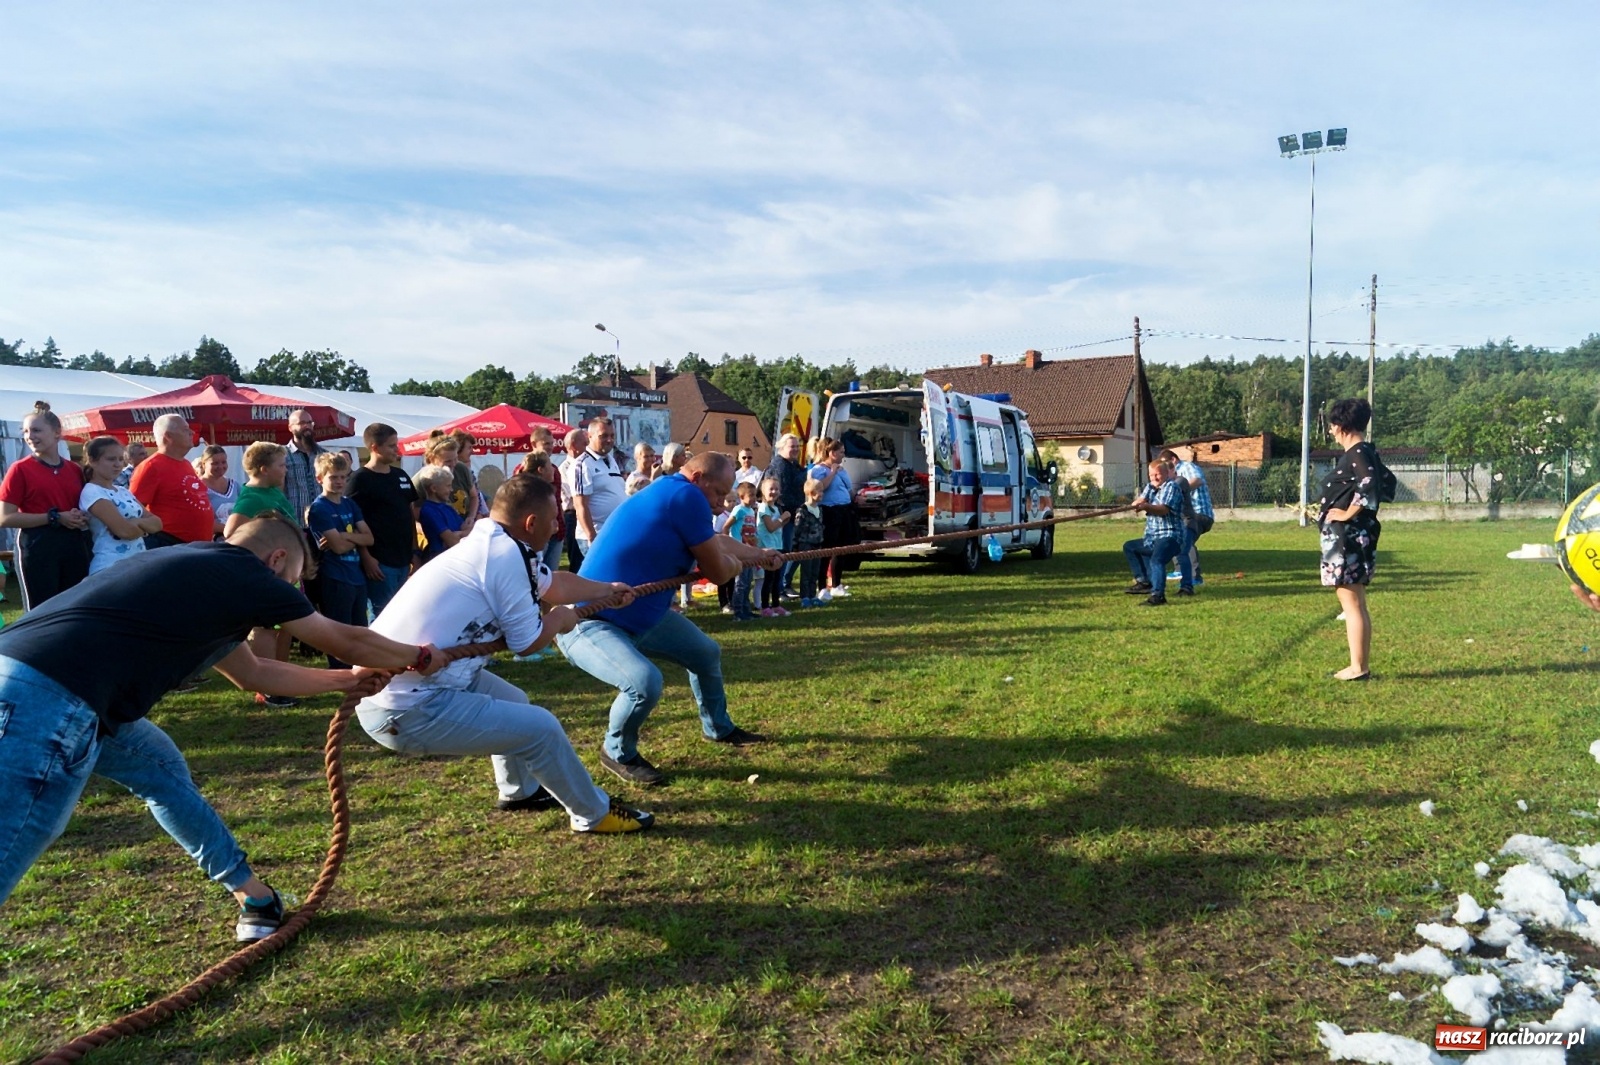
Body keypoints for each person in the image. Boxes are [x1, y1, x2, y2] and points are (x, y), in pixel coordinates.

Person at [0, 513, 443, 939]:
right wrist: (420, 656)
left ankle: (255, 899)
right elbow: (348, 638)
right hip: (50, 700)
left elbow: (255, 674)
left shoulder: (197, 571)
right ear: (276, 561)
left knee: (162, 770)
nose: (290, 595)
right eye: (293, 581)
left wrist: (345, 679)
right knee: (15, 839)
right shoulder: (246, 577)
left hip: (40, 682)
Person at [356, 475, 654, 833]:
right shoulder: (503, 556)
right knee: (541, 727)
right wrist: (559, 620)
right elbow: (527, 644)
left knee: (515, 700)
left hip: (420, 686)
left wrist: (606, 589)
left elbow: (554, 584)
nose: (558, 524)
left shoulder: (495, 541)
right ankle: (592, 813)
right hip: (403, 708)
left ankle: (518, 792)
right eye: (554, 517)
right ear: (531, 523)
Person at [556, 452, 780, 786]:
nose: (721, 505)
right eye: (718, 493)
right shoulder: (685, 495)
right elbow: (718, 572)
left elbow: (716, 542)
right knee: (643, 683)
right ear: (697, 478)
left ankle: (718, 728)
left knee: (704, 654)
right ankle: (617, 752)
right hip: (590, 622)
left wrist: (759, 555)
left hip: (642, 617)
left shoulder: (675, 493)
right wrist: (736, 565)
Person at [226, 441, 303, 706]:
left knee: (287, 627)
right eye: (281, 465)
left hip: (287, 573)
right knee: (266, 629)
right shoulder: (252, 497)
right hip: (269, 575)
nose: (285, 470)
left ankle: (281, 679)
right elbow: (231, 533)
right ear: (263, 469)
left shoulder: (274, 492)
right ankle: (268, 687)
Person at [1317, 398, 1384, 681]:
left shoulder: (1357, 452)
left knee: (1351, 604)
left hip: (1348, 538)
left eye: (1333, 425)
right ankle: (1359, 665)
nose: (1331, 431)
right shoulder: (1367, 451)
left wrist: (1347, 513)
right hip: (1356, 535)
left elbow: (1370, 483)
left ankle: (1358, 668)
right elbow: (1385, 482)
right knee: (1355, 602)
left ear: (1341, 426)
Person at [0, 401, 90, 610]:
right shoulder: (20, 469)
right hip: (38, 546)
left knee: (74, 607)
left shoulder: (74, 469)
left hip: (74, 545)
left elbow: (82, 507)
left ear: (57, 433)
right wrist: (54, 517)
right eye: (26, 431)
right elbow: (4, 517)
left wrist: (81, 516)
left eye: (37, 430)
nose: (30, 436)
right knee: (41, 612)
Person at [346, 423, 420, 617]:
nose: (397, 450)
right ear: (374, 448)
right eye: (391, 446)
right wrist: (366, 557)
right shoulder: (359, 479)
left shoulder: (401, 475)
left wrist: (415, 550)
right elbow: (351, 522)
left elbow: (409, 515)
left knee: (403, 613)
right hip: (379, 561)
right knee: (382, 614)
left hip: (404, 559)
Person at [307, 452, 373, 668]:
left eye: (343, 477)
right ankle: (340, 671)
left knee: (360, 627)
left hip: (356, 575)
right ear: (320, 478)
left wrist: (345, 535)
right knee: (339, 628)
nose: (339, 482)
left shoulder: (349, 504)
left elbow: (369, 538)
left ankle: (360, 667)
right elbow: (338, 546)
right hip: (334, 575)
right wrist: (353, 536)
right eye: (333, 477)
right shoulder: (319, 508)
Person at [80, 436, 163, 574]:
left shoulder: (123, 491)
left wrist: (135, 522)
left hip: (138, 563)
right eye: (111, 459)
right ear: (92, 461)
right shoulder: (92, 492)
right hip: (111, 567)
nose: (118, 464)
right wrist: (143, 527)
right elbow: (124, 531)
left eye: (120, 459)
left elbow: (158, 523)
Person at [130, 414, 215, 547]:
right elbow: (133, 508)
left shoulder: (185, 463)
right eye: (185, 429)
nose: (192, 432)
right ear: (168, 437)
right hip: (170, 545)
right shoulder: (151, 466)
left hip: (196, 546)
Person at [1123, 459, 1188, 606]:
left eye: (1157, 475)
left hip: (1170, 536)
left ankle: (1158, 596)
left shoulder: (1172, 487)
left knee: (1156, 560)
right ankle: (1145, 582)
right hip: (1152, 538)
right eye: (1151, 476)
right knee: (1131, 547)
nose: (1154, 478)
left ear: (1166, 473)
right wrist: (1136, 504)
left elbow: (1163, 509)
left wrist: (1145, 506)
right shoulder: (1151, 486)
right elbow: (1141, 499)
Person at [808, 437, 857, 601]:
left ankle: (836, 584)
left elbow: (848, 488)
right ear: (832, 453)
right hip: (829, 510)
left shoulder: (842, 469)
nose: (844, 455)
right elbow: (820, 487)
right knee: (828, 548)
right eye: (841, 452)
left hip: (844, 509)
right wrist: (832, 471)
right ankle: (821, 586)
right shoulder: (818, 470)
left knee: (842, 548)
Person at [570, 417, 626, 556]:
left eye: (612, 435)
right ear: (589, 436)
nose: (609, 440)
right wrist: (592, 538)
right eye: (604, 436)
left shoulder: (611, 460)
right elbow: (580, 505)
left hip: (615, 532)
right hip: (597, 535)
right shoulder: (582, 464)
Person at [1161, 447, 1215, 588]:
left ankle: (1195, 577)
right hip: (1185, 516)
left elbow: (1197, 480)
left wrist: (1179, 491)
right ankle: (1180, 570)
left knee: (1186, 537)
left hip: (1200, 514)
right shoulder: (1170, 476)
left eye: (1165, 464)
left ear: (1173, 460)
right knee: (1174, 534)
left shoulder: (1187, 467)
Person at [764, 434, 806, 597]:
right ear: (782, 448)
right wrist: (788, 512)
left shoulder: (793, 464)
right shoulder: (780, 466)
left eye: (797, 446)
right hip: (783, 515)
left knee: (791, 550)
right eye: (792, 446)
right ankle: (778, 589)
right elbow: (782, 492)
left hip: (793, 512)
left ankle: (782, 585)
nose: (795, 449)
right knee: (783, 551)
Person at [519, 451, 566, 573]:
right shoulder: (531, 492)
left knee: (549, 574)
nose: (554, 469)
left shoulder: (545, 490)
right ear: (541, 470)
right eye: (550, 466)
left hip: (552, 535)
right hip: (535, 539)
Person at [417, 465, 472, 560]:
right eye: (448, 486)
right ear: (434, 488)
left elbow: (470, 531)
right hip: (439, 557)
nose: (451, 490)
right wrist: (462, 534)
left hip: (453, 556)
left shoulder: (447, 507)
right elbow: (452, 541)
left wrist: (459, 534)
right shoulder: (429, 510)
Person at [726, 482, 760, 622]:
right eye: (750, 495)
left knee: (748, 580)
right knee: (740, 582)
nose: (753, 498)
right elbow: (726, 526)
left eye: (754, 495)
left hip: (749, 549)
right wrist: (727, 543)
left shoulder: (751, 511)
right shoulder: (738, 510)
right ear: (741, 496)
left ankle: (746, 609)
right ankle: (738, 611)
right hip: (739, 550)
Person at [757, 477, 791, 616]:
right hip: (767, 548)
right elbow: (770, 527)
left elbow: (778, 527)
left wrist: (784, 520)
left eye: (776, 489)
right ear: (763, 491)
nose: (774, 491)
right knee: (768, 579)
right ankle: (765, 607)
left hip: (777, 545)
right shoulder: (764, 508)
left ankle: (776, 605)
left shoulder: (776, 508)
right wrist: (783, 518)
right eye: (771, 489)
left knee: (777, 578)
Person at [793, 476, 826, 607]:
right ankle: (805, 596)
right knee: (806, 572)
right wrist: (795, 545)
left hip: (817, 544)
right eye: (820, 491)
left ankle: (813, 595)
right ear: (811, 493)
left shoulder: (819, 509)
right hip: (806, 544)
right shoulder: (803, 510)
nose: (822, 494)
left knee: (814, 572)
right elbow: (797, 528)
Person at [559, 427, 588, 572]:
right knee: (577, 559)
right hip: (573, 515)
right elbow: (573, 494)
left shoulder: (588, 465)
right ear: (573, 446)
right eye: (584, 443)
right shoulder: (564, 469)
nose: (587, 447)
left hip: (587, 513)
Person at [196, 444, 238, 538]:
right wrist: (230, 529)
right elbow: (198, 521)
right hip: (212, 540)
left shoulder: (235, 485)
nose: (220, 466)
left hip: (236, 536)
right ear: (204, 464)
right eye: (215, 463)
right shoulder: (197, 487)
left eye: (223, 462)